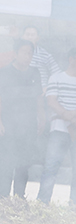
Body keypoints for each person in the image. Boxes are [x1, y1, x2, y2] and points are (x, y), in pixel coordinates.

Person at [37, 47, 76, 204]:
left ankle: (75, 204)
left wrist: (72, 115)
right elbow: (51, 101)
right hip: (59, 129)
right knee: (51, 165)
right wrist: (67, 116)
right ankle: (42, 203)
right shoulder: (56, 78)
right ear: (71, 59)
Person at [0, 39, 43, 198]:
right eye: (25, 52)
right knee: (6, 163)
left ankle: (19, 198)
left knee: (24, 163)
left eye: (30, 53)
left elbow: (39, 97)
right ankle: (3, 199)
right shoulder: (4, 72)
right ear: (16, 53)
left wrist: (41, 117)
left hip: (29, 125)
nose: (28, 56)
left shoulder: (35, 72)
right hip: (9, 125)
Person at [20, 25, 61, 92]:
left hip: (40, 93)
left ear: (38, 38)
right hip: (20, 91)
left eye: (32, 35)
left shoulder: (45, 55)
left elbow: (58, 75)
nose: (30, 37)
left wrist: (48, 88)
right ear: (22, 37)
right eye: (27, 34)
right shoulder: (16, 54)